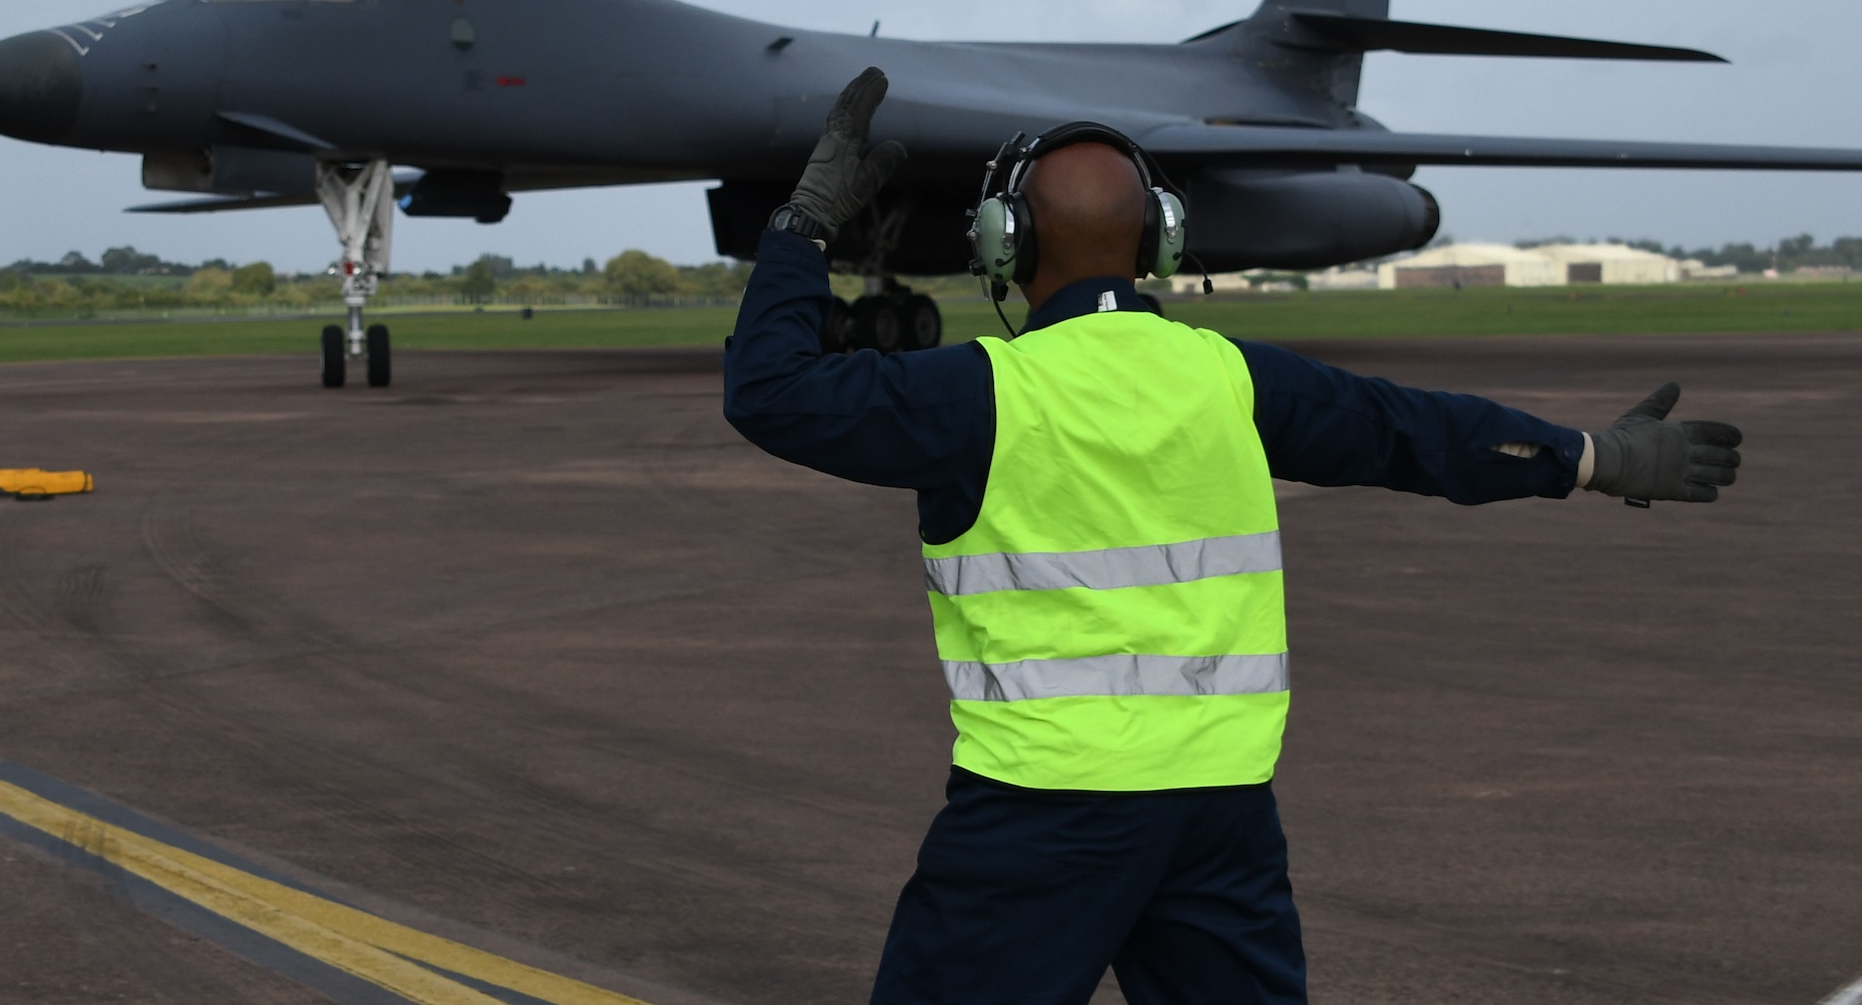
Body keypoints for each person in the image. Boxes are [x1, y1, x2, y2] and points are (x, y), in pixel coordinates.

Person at [723, 68, 1742, 1005]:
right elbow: (1413, 430)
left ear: (1003, 245)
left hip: (1045, 812)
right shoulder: (1236, 377)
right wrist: (1591, 456)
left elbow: (770, 391)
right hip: (1218, 814)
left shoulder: (979, 390)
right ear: (1159, 239)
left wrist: (805, 223)